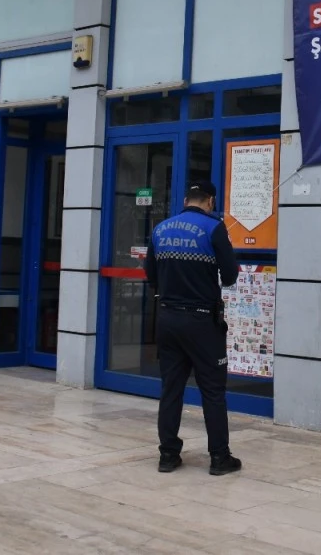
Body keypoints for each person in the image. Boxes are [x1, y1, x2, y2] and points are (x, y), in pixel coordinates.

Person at [143, 181, 242, 476]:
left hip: (168, 319)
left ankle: (168, 455)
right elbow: (231, 275)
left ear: (186, 200)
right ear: (210, 201)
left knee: (171, 389)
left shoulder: (160, 229)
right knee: (212, 390)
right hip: (202, 322)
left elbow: (150, 274)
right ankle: (219, 458)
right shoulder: (214, 228)